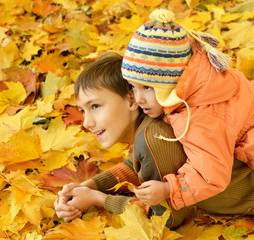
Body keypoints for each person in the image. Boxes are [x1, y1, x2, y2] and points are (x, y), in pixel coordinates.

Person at [121, 9, 254, 214]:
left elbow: (211, 173)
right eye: (133, 86)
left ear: (172, 83)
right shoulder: (203, 78)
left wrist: (168, 189)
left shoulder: (197, 117)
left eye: (147, 88)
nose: (138, 99)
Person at [55, 52, 188, 229]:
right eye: (83, 110)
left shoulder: (153, 139)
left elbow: (166, 217)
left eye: (95, 106)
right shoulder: (146, 128)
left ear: (131, 99)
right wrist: (91, 186)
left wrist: (99, 199)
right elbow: (136, 165)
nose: (87, 123)